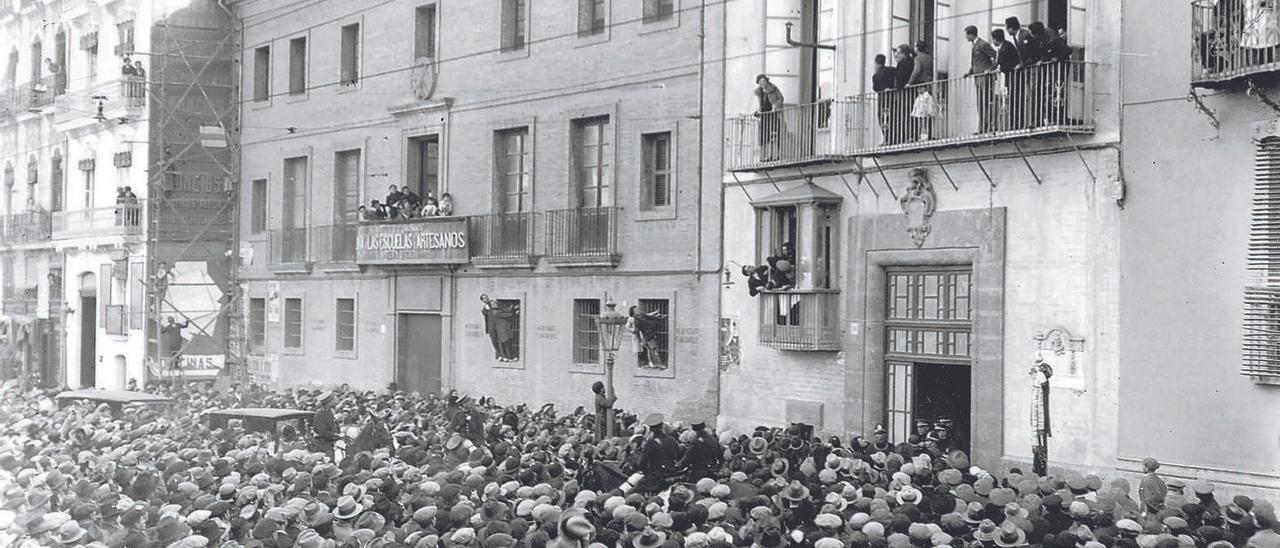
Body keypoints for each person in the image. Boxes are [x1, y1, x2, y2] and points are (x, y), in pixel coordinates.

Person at [966, 25, 999, 134]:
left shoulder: (982, 44)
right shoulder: (975, 45)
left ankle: (990, 126)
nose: (966, 37)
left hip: (985, 77)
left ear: (971, 34)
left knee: (987, 101)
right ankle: (982, 127)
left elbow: (996, 56)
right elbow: (976, 62)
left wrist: (990, 69)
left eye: (967, 34)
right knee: (980, 103)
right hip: (978, 77)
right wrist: (970, 72)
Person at [992, 28, 1022, 131]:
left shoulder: (1007, 47)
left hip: (1014, 76)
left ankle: (1016, 124)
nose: (993, 42)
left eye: (993, 40)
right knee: (1012, 98)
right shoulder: (1002, 47)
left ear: (996, 39)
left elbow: (1013, 61)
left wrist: (1002, 68)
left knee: (1015, 99)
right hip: (1009, 76)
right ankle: (1013, 123)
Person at [754, 74, 785, 162]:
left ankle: (775, 155)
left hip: (772, 115)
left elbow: (781, 98)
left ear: (767, 81)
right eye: (760, 82)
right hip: (764, 116)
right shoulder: (758, 92)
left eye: (763, 81)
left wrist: (775, 106)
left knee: (774, 135)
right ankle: (764, 157)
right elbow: (759, 105)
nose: (762, 83)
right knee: (764, 137)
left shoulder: (773, 89)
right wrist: (757, 111)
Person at [872, 54, 896, 144]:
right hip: (892, 97)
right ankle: (893, 137)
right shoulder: (891, 70)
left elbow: (875, 88)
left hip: (882, 99)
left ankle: (887, 138)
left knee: (883, 118)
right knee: (892, 117)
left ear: (876, 63)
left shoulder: (876, 75)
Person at [312, 391, 340, 459]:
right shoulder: (320, 415)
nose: (337, 399)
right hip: (324, 444)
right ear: (329, 402)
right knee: (330, 458)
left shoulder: (329, 412)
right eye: (335, 398)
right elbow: (323, 433)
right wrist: (336, 435)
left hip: (332, 441)